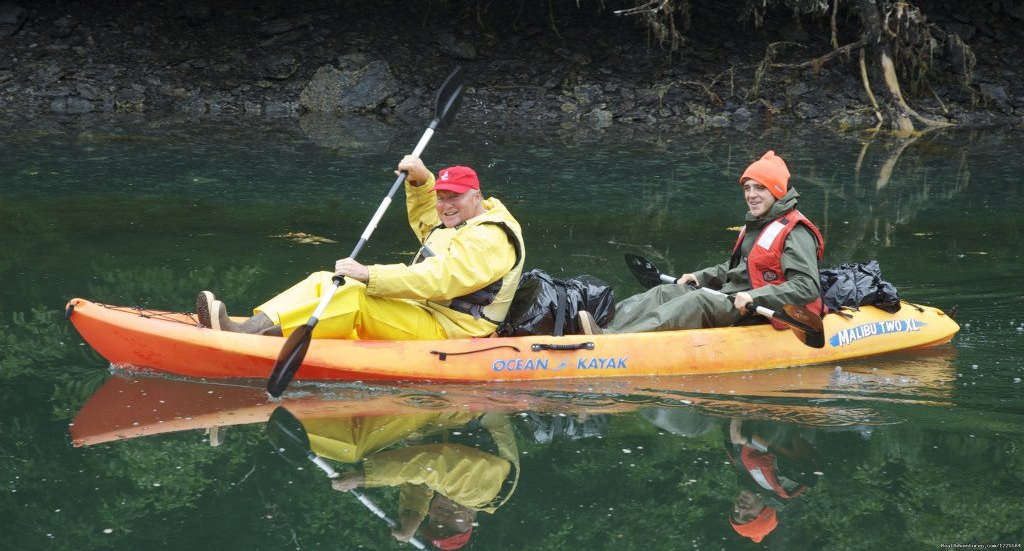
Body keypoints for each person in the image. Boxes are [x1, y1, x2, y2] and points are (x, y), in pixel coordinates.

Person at [195, 156, 525, 340]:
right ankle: (245, 330)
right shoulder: (462, 219)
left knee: (354, 296)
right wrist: (421, 182)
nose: (445, 206)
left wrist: (370, 275)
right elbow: (432, 224)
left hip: (454, 330)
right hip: (427, 312)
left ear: (477, 197)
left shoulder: (489, 238)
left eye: (454, 197)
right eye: (442, 197)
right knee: (325, 280)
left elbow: (441, 279)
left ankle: (261, 343)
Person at [604, 150, 823, 333]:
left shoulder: (796, 231)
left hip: (761, 308)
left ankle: (615, 340)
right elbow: (736, 268)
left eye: (760, 188)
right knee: (667, 292)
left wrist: (754, 296)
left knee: (695, 302)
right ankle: (602, 324)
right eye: (747, 188)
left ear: (777, 191)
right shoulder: (757, 223)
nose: (751, 195)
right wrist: (699, 277)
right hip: (733, 297)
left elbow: (807, 286)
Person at [312, 411, 520, 549]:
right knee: (352, 446)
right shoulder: (480, 493)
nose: (438, 517)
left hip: (443, 415)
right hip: (456, 407)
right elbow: (430, 464)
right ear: (468, 521)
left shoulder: (457, 492)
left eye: (434, 522)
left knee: (355, 441)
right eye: (447, 525)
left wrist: (412, 513)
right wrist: (364, 477)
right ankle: (290, 413)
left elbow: (422, 477)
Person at [724, 418, 819, 543]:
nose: (741, 509)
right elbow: (803, 461)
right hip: (789, 416)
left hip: (755, 413)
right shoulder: (784, 487)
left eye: (736, 513)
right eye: (749, 516)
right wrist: (748, 441)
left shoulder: (741, 469)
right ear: (765, 513)